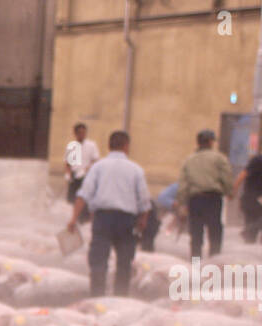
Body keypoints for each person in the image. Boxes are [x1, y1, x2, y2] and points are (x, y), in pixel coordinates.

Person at [67, 129, 150, 297]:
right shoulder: (136, 170)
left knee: (98, 260)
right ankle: (120, 298)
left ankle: (97, 297)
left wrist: (73, 218)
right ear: (126, 146)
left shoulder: (98, 167)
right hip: (126, 221)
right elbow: (144, 201)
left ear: (108, 146)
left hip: (102, 219)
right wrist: (143, 220)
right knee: (124, 262)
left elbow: (83, 194)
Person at [176, 128, 233, 258]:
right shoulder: (219, 158)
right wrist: (229, 191)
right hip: (213, 199)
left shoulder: (189, 160)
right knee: (215, 232)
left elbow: (183, 184)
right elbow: (227, 177)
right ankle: (214, 262)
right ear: (210, 142)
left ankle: (195, 265)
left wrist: (182, 203)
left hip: (195, 200)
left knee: (196, 234)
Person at [64, 122, 100, 210]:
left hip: (86, 175)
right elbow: (68, 163)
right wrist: (68, 174)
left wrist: (85, 170)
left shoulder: (91, 145)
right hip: (74, 175)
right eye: (80, 133)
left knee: (85, 198)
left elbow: (95, 160)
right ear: (75, 133)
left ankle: (84, 218)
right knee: (72, 198)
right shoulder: (72, 146)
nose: (82, 135)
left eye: (84, 132)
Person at [140, 181, 179, 253]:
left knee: (197, 238)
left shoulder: (182, 186)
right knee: (151, 231)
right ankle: (196, 263)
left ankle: (196, 263)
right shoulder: (179, 187)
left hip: (157, 210)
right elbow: (162, 198)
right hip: (155, 209)